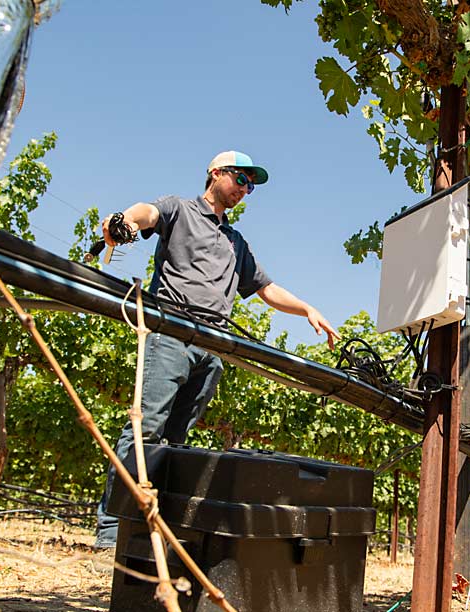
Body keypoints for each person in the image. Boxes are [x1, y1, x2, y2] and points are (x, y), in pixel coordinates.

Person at [94, 150, 340, 548]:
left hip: (213, 348)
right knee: (146, 430)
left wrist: (306, 309)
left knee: (176, 441)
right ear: (215, 173)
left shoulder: (236, 242)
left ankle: (152, 529)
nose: (246, 190)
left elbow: (265, 288)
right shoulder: (181, 210)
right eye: (241, 179)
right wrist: (124, 221)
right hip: (171, 333)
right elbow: (146, 214)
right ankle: (113, 530)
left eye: (251, 186)